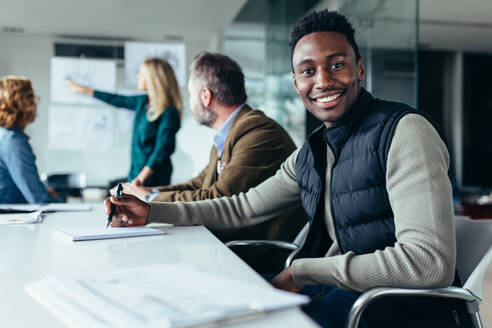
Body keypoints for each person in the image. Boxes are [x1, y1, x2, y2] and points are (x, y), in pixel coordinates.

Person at [104, 11, 467, 328]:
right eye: (308, 71)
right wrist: (152, 211)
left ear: (359, 68)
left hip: (388, 311)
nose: (322, 80)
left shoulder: (404, 132)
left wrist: (303, 272)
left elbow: (428, 262)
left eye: (336, 64)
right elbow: (242, 206)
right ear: (296, 84)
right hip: (336, 293)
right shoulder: (314, 150)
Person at [115, 52, 305, 246]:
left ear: (205, 96)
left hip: (253, 253)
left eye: (190, 94)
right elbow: (198, 184)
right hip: (229, 243)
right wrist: (145, 191)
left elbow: (218, 197)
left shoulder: (258, 133)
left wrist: (148, 198)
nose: (189, 102)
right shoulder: (228, 134)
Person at [67, 57, 182, 187]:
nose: (138, 77)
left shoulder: (169, 112)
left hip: (153, 179)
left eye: (141, 74)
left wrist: (140, 178)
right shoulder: (143, 102)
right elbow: (117, 100)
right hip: (135, 175)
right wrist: (85, 90)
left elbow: (162, 150)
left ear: (153, 78)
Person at [0, 76, 59, 203]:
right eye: (32, 98)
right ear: (23, 103)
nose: (35, 103)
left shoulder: (5, 135)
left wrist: (43, 190)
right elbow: (38, 198)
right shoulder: (13, 140)